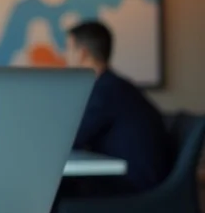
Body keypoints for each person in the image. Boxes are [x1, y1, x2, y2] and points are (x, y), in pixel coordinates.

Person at [63, 20, 172, 195]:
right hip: (137, 181)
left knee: (57, 194)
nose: (65, 56)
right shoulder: (113, 86)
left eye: (68, 49)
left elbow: (71, 139)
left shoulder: (105, 92)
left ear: (82, 53)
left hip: (136, 188)